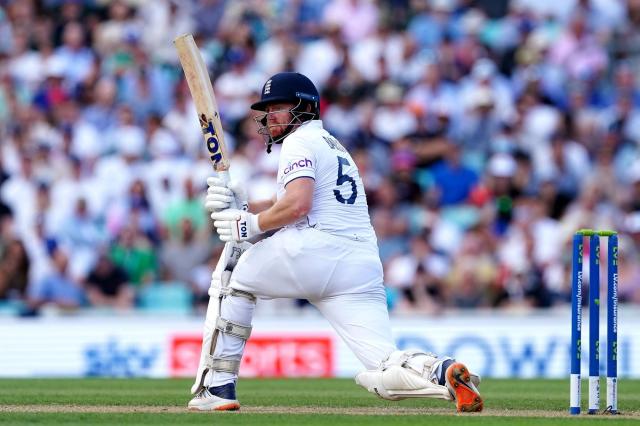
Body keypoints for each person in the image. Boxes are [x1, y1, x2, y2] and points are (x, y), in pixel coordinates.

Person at [187, 72, 483, 413]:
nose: (270, 118)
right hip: (359, 264)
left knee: (232, 279)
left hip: (316, 250)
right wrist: (243, 205)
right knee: (383, 364)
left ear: (305, 107)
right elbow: (290, 203)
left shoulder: (299, 142)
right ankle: (442, 371)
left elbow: (298, 205)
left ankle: (218, 387)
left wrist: (248, 225)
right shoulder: (332, 144)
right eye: (267, 111)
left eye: (279, 108)